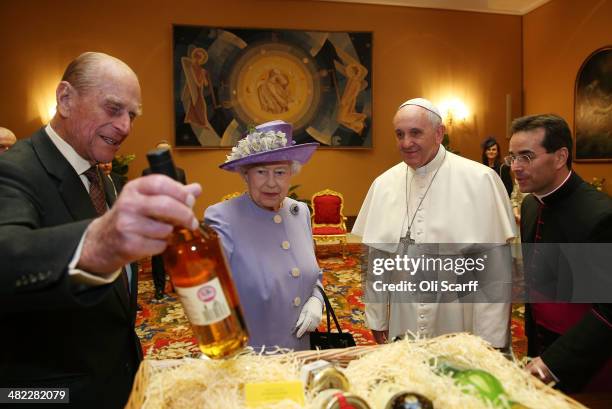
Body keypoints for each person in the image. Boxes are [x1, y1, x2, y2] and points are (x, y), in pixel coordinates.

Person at [0, 52, 201, 408]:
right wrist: (99, 243)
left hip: (114, 379)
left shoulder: (101, 180)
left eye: (132, 115)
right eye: (113, 109)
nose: (125, 126)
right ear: (65, 99)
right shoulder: (13, 170)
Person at [352, 98, 516, 348]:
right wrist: (377, 317)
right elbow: (377, 260)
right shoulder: (384, 184)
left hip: (458, 315)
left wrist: (490, 341)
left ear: (439, 133)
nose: (406, 143)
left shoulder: (480, 180)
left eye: (415, 133)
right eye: (399, 134)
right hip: (403, 315)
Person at [508, 113, 612, 392]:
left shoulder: (600, 215)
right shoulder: (530, 206)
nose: (515, 167)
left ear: (560, 156)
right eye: (512, 157)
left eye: (526, 157)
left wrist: (554, 363)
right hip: (540, 346)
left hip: (589, 363)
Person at [204, 120, 323, 351]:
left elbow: (314, 273)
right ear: (245, 175)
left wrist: (317, 300)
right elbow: (209, 293)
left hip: (301, 354)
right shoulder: (222, 218)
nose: (272, 183)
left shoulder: (300, 212)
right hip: (252, 359)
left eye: (280, 172)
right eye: (261, 172)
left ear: (291, 174)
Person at [142, 140, 187, 300]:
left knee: (178, 253)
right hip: (157, 220)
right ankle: (159, 288)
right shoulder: (147, 173)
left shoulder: (180, 173)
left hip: (176, 220)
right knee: (158, 256)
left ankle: (178, 284)